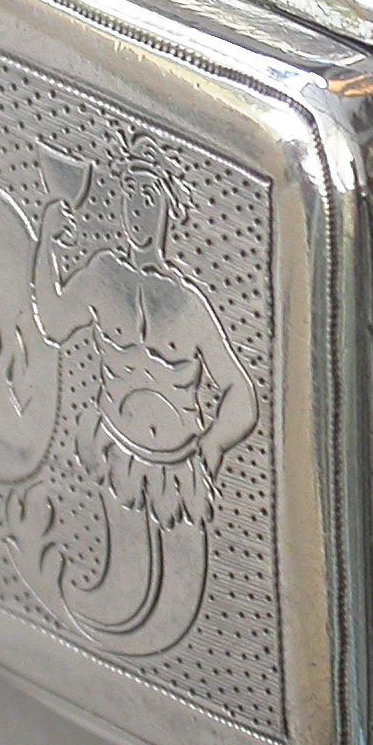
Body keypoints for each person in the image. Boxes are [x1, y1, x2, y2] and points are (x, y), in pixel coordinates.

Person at [31, 138, 258, 656]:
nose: (137, 210)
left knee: (180, 607)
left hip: (179, 470)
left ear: (168, 211)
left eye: (149, 198)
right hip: (116, 452)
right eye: (130, 196)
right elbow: (54, 320)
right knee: (119, 592)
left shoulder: (188, 304)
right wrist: (45, 242)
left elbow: (240, 390)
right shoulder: (102, 275)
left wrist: (212, 446)